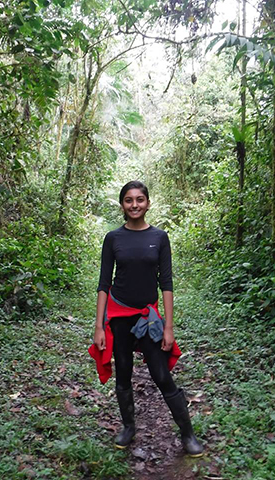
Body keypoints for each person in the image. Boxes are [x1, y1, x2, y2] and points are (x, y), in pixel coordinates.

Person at [89, 180, 204, 457]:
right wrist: (98, 327)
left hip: (149, 318)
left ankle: (187, 434)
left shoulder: (160, 237)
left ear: (148, 203)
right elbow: (104, 284)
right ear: (122, 205)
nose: (135, 205)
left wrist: (168, 327)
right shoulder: (113, 238)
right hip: (119, 315)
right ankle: (129, 427)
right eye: (129, 200)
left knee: (162, 375)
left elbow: (166, 283)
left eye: (140, 199)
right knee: (124, 372)